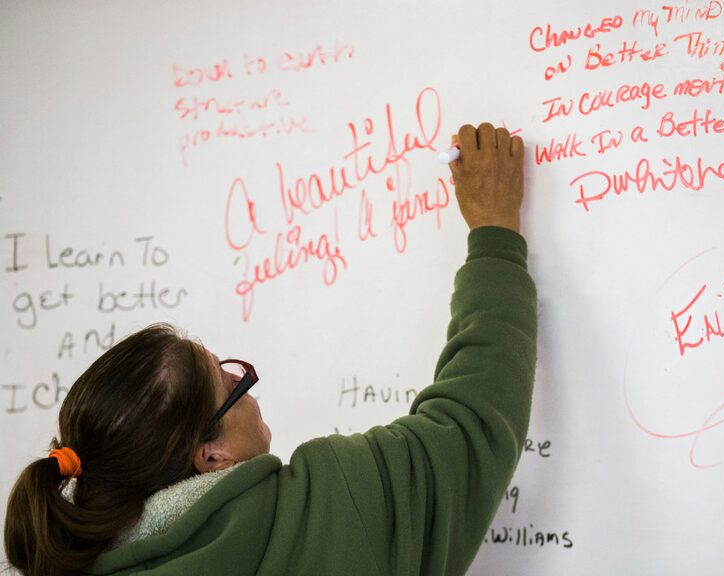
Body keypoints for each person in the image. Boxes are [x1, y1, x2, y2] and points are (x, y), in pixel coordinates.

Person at [4, 122, 537, 576]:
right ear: (211, 456)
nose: (249, 391)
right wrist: (495, 235)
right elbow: (471, 425)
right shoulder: (328, 507)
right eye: (231, 383)